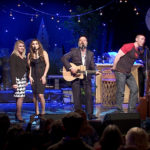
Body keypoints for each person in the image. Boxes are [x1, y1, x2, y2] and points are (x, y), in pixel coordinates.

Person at [61, 36, 97, 120]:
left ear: (87, 43)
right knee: (77, 96)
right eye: (80, 40)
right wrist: (70, 68)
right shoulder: (74, 51)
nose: (82, 42)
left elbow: (92, 66)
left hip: (86, 77)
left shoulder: (90, 53)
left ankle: (90, 114)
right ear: (78, 43)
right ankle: (78, 115)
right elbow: (63, 58)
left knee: (88, 95)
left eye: (84, 40)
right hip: (75, 77)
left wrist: (95, 71)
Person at [112, 34, 146, 112]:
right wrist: (114, 67)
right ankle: (119, 110)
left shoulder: (138, 50)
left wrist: (140, 62)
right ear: (136, 39)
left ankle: (131, 109)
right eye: (141, 39)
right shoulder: (128, 46)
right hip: (120, 70)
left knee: (135, 89)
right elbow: (118, 56)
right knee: (121, 91)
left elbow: (131, 58)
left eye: (144, 39)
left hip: (128, 72)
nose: (143, 41)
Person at [27, 39, 49, 116]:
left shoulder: (44, 53)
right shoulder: (30, 54)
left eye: (36, 44)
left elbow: (47, 64)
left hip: (41, 76)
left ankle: (43, 111)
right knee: (34, 94)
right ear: (31, 46)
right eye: (33, 44)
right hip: (33, 76)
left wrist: (44, 75)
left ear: (39, 45)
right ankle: (36, 110)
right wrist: (29, 76)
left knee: (40, 94)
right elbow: (30, 67)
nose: (35, 45)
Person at [10, 40, 28, 122]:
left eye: (23, 46)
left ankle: (17, 113)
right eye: (20, 46)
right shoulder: (14, 56)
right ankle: (19, 114)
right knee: (20, 97)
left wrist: (26, 79)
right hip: (17, 79)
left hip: (23, 79)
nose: (22, 47)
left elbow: (25, 69)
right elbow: (12, 70)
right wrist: (14, 83)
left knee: (19, 97)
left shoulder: (24, 57)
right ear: (17, 47)